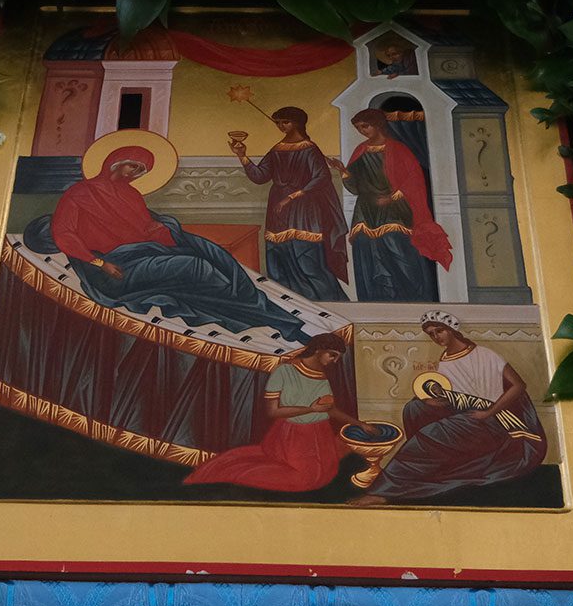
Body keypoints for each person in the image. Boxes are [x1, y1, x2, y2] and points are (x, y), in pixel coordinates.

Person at [45, 145, 308, 340]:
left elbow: (144, 230)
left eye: (141, 171)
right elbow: (64, 234)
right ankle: (273, 318)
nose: (136, 174)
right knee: (197, 268)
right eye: (133, 166)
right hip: (114, 269)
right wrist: (99, 263)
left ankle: (274, 317)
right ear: (115, 162)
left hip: (145, 255)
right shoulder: (80, 193)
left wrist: (162, 230)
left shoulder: (132, 195)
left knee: (215, 257)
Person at [349, 311, 543, 505]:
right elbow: (456, 396)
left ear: (451, 330)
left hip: (492, 419)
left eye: (439, 331)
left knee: (429, 434)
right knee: (414, 408)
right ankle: (428, 468)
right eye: (431, 334)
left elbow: (518, 386)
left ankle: (384, 491)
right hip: (467, 413)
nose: (436, 337)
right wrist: (432, 401)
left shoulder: (485, 354)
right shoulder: (445, 360)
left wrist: (488, 413)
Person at [184, 333, 356, 492]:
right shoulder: (285, 371)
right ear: (319, 350)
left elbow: (330, 409)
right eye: (332, 355)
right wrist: (310, 409)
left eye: (337, 358)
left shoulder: (321, 376)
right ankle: (229, 472)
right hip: (292, 435)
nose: (334, 361)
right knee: (305, 480)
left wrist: (359, 424)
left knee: (326, 475)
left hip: (320, 433)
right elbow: (273, 411)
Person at [231, 107, 348, 303]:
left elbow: (321, 177)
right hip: (278, 208)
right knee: (279, 260)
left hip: (304, 209)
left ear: (297, 123)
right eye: (278, 122)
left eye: (285, 122)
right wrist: (242, 155)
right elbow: (260, 176)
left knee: (308, 261)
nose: (280, 126)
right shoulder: (277, 149)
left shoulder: (310, 148)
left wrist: (293, 196)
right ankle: (290, 304)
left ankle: (332, 304)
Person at [333, 109, 452, 302]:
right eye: (358, 128)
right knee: (365, 245)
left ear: (378, 124)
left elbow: (413, 180)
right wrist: (342, 171)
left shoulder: (398, 149)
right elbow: (355, 187)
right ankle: (375, 298)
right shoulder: (361, 150)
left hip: (395, 208)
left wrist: (390, 198)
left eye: (365, 126)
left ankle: (411, 297)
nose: (362, 131)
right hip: (366, 210)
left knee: (395, 244)